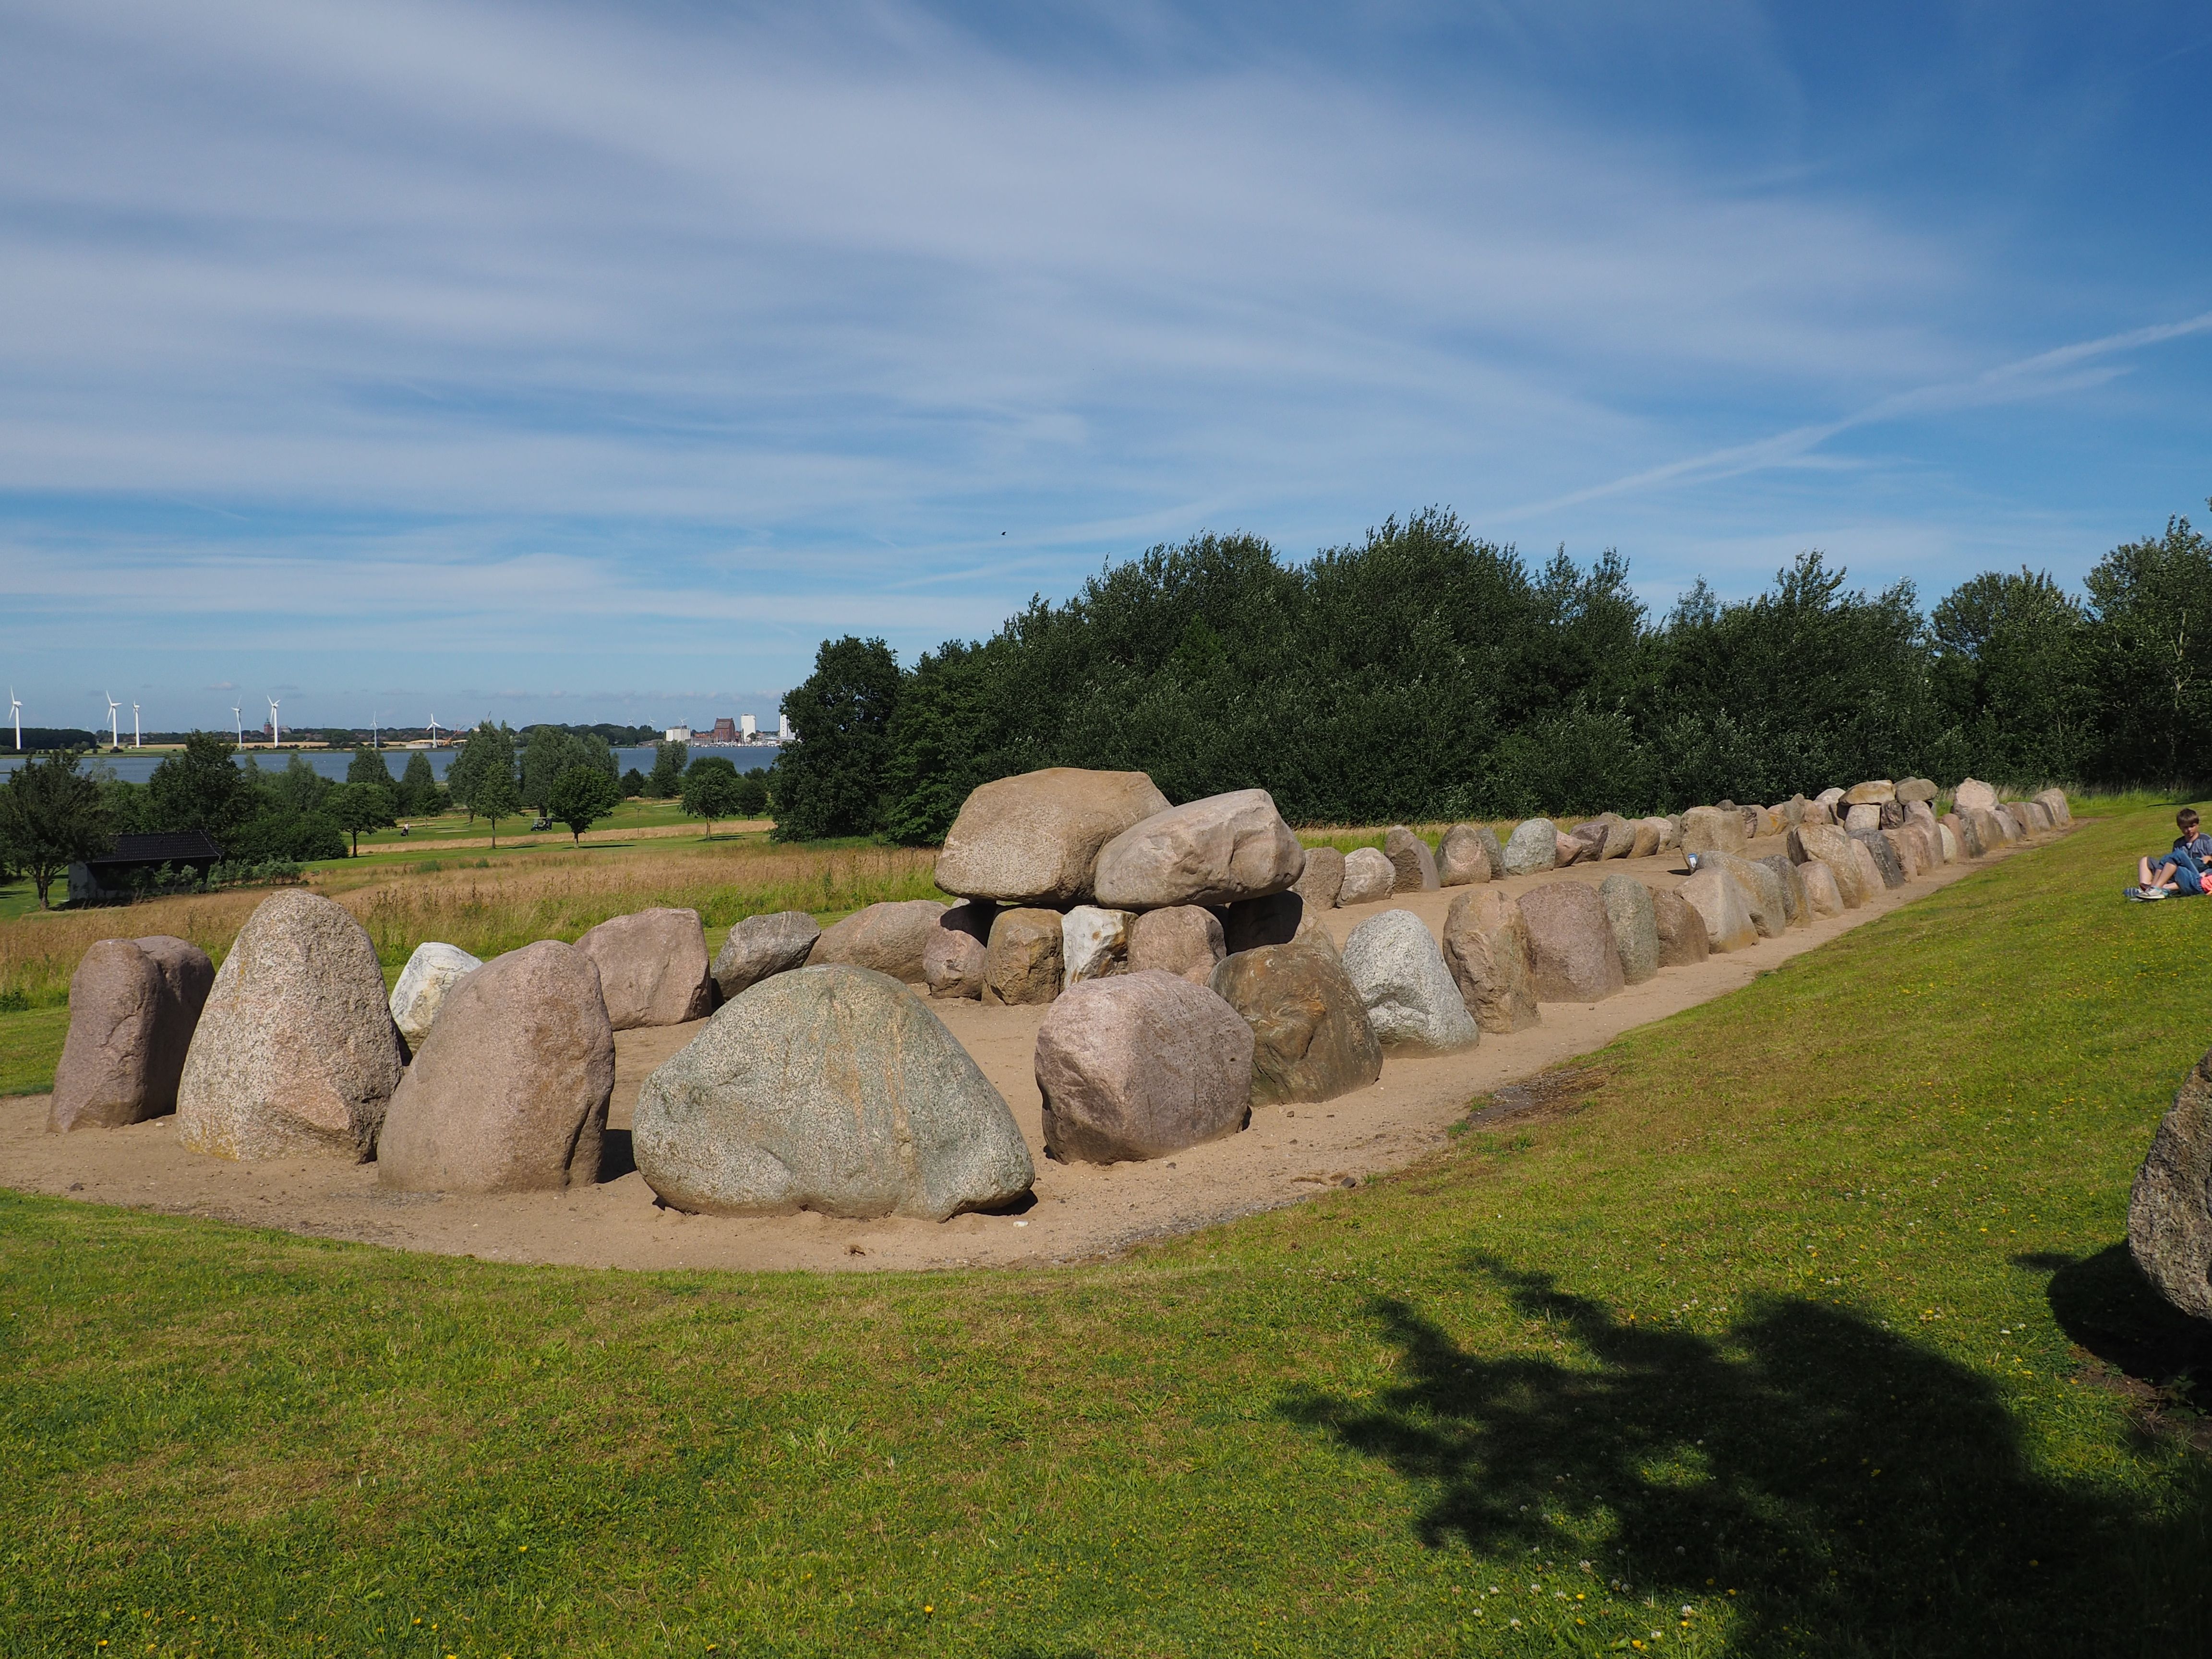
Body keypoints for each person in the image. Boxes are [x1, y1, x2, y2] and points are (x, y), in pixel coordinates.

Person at [2128, 808, 2212, 900]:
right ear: (2179, 827)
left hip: (2196, 876)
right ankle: (2147, 889)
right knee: (2146, 860)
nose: (2189, 830)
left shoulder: (2206, 840)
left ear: (2198, 825)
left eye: (2192, 826)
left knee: (2177, 855)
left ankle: (2153, 888)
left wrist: (2205, 872)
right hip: (2179, 873)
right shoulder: (2178, 843)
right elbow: (2171, 866)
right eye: (2185, 827)